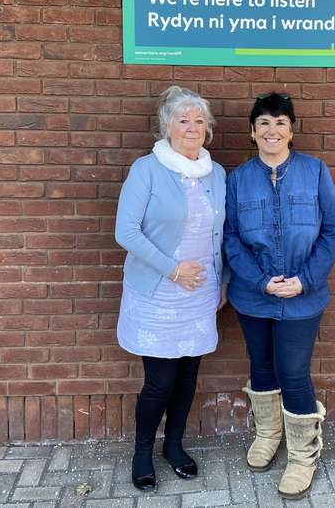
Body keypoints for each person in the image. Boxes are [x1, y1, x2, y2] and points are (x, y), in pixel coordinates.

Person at [223, 92, 335, 500]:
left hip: (302, 297)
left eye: (280, 122)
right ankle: (269, 435)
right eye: (263, 123)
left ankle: (303, 455)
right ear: (252, 133)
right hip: (253, 295)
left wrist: (304, 279)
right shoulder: (237, 179)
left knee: (293, 372)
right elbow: (231, 238)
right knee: (261, 365)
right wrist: (261, 282)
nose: (271, 130)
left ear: (292, 130)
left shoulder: (315, 171)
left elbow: (331, 231)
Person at [115, 86, 227, 492]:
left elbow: (220, 233)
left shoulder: (217, 174)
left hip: (199, 292)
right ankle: (143, 451)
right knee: (160, 380)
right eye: (183, 120)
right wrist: (172, 269)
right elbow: (125, 231)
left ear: (208, 129)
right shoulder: (146, 169)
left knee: (187, 375)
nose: (192, 127)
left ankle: (174, 447)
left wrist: (222, 282)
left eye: (199, 121)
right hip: (159, 292)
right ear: (167, 126)